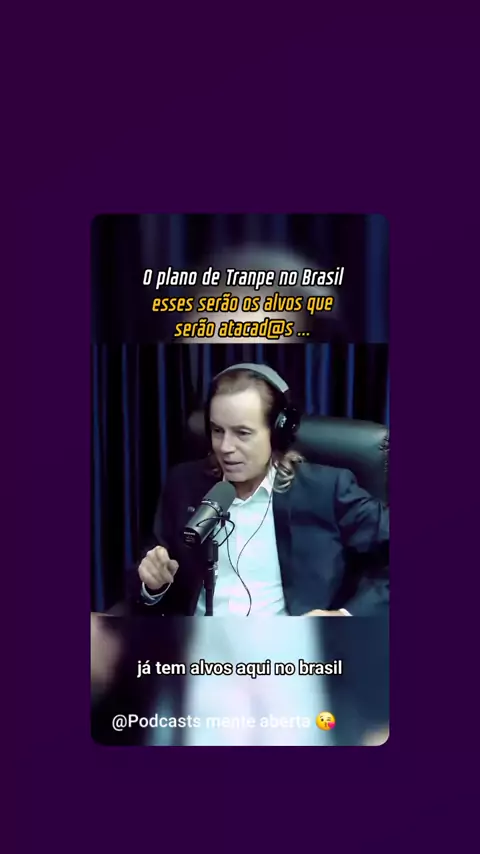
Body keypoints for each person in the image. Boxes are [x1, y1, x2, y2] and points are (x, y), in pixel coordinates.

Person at [128, 363, 389, 617]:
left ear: (277, 433)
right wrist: (152, 584)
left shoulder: (326, 490)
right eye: (217, 431)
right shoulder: (184, 484)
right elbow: (152, 566)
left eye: (242, 433)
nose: (225, 447)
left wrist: (346, 615)